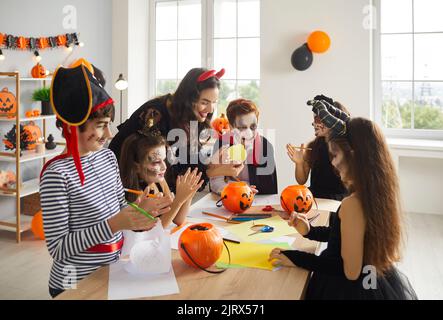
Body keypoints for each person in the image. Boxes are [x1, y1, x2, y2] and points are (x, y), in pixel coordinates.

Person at [40, 64, 172, 298]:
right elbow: (58, 248)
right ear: (73, 127)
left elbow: (117, 209)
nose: (110, 134)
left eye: (108, 124)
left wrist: (138, 213)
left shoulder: (108, 157)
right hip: (73, 281)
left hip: (112, 271)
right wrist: (114, 224)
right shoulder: (56, 174)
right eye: (101, 126)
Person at [270, 102, 417, 300]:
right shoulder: (375, 195)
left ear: (353, 156)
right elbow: (348, 238)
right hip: (372, 280)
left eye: (335, 155)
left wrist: (297, 258)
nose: (332, 162)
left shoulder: (353, 205)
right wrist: (310, 231)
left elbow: (349, 271)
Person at [109, 67, 243, 192]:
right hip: (124, 183)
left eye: (214, 102)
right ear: (188, 99)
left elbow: (190, 165)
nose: (210, 110)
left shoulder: (193, 119)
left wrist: (215, 165)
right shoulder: (155, 114)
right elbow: (156, 171)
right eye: (204, 102)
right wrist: (213, 171)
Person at [119, 126, 204, 228]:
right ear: (136, 166)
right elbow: (157, 229)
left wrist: (188, 194)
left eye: (164, 160)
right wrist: (179, 201)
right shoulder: (134, 196)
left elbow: (177, 219)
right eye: (156, 162)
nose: (164, 167)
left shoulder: (159, 181)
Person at [286, 95, 349, 200]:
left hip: (338, 199)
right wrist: (299, 163)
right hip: (316, 199)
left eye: (319, 119)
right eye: (314, 119)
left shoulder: (345, 147)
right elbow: (301, 180)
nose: (314, 124)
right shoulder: (312, 147)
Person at [210, 98, 278, 195]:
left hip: (258, 201)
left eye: (253, 127)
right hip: (228, 198)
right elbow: (216, 182)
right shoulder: (221, 143)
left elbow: (268, 187)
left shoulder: (265, 147)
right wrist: (238, 190)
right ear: (231, 127)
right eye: (242, 127)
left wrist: (243, 188)